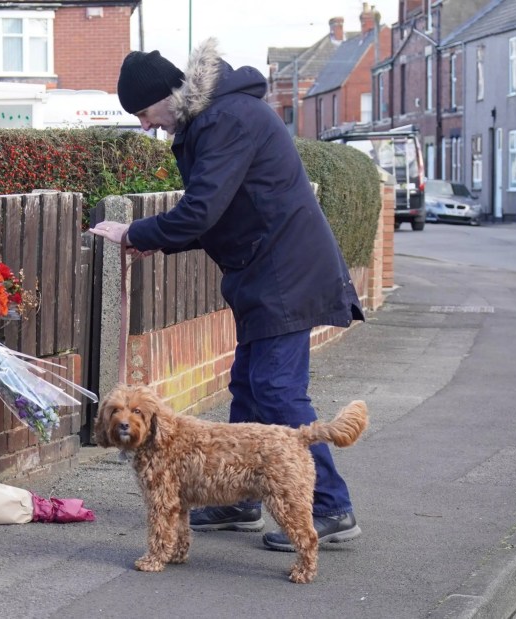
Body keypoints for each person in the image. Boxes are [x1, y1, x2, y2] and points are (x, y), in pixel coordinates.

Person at [89, 38, 365, 552]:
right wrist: (156, 242)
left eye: (144, 112)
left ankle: (330, 507)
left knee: (278, 391)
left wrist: (136, 235)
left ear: (168, 95)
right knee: (249, 385)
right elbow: (215, 210)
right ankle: (240, 499)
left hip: (287, 272)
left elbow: (201, 210)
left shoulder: (226, 119)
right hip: (266, 270)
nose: (146, 125)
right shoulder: (213, 119)